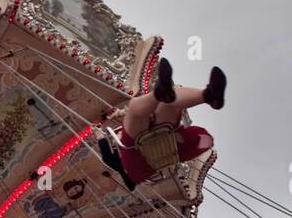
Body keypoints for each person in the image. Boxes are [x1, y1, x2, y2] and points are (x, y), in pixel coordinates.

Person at [95, 58, 225, 189]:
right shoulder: (116, 151)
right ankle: (201, 95)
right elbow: (105, 144)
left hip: (155, 147)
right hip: (139, 157)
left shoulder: (121, 137)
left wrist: (115, 116)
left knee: (167, 102)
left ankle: (208, 95)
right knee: (135, 106)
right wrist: (98, 131)